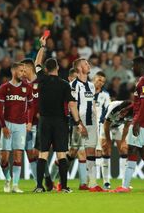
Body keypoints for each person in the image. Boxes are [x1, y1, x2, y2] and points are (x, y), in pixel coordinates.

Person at [33, 35, 86, 193]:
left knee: (43, 154)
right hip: (60, 122)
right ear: (56, 68)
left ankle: (39, 186)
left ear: (46, 69)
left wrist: (42, 47)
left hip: (44, 121)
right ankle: (64, 187)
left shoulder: (41, 79)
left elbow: (36, 63)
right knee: (61, 154)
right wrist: (77, 123)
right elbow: (71, 104)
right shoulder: (64, 85)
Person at [111, 56, 144, 193]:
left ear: (139, 65)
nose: (132, 68)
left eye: (133, 65)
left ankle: (125, 186)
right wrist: (128, 109)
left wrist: (136, 122)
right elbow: (141, 102)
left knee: (132, 150)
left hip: (142, 122)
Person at [69, 57, 106, 192]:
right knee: (72, 153)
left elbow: (93, 106)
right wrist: (78, 123)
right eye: (85, 64)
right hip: (79, 123)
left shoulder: (91, 85)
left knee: (90, 152)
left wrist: (95, 122)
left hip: (91, 123)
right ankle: (60, 180)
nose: (88, 65)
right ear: (79, 68)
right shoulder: (73, 85)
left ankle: (93, 183)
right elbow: (72, 105)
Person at [0, 62, 33, 193]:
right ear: (13, 71)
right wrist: (3, 126)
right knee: (4, 158)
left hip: (21, 125)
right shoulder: (4, 88)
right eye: (21, 71)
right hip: (7, 124)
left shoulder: (27, 88)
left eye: (24, 71)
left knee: (18, 156)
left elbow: (30, 108)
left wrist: (29, 122)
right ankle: (7, 179)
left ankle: (15, 185)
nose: (23, 73)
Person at [22, 58, 54, 191]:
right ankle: (39, 183)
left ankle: (46, 177)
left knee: (39, 153)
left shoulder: (41, 82)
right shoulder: (22, 84)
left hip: (40, 124)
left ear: (30, 68)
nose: (22, 72)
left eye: (24, 69)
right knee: (30, 154)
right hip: (25, 124)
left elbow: (48, 99)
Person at [102, 100, 132, 189]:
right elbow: (106, 125)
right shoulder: (114, 108)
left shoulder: (132, 112)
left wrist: (123, 141)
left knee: (124, 150)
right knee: (106, 149)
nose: (123, 113)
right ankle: (106, 182)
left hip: (118, 126)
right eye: (122, 111)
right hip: (104, 124)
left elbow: (126, 127)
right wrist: (108, 141)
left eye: (125, 112)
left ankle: (124, 182)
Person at [92, 71, 112, 189]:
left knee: (103, 151)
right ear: (94, 78)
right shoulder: (86, 91)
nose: (100, 83)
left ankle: (106, 181)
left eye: (103, 82)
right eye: (99, 80)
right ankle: (92, 181)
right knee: (89, 153)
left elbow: (108, 109)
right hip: (87, 126)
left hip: (100, 127)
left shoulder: (105, 95)